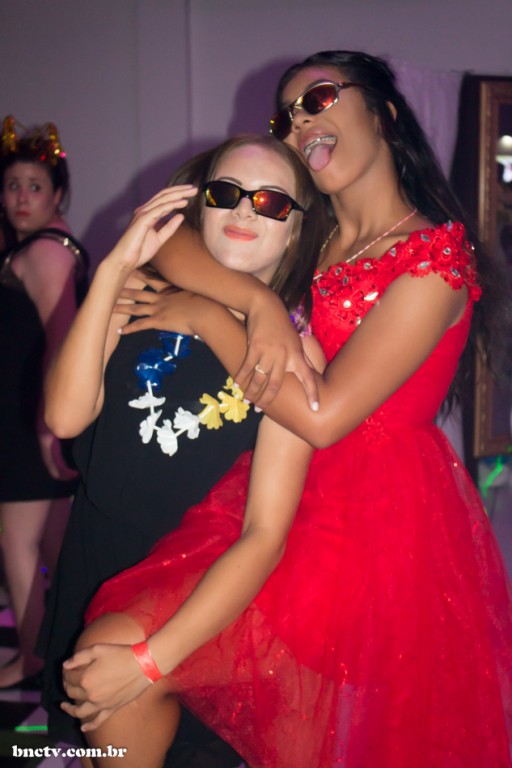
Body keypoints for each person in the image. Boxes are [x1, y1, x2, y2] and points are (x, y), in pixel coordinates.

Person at [61, 52, 512, 768]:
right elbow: (178, 237)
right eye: (288, 115)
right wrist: (257, 301)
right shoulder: (312, 229)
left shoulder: (434, 259)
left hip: (366, 524)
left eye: (319, 98)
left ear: (385, 114)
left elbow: (325, 417)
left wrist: (211, 319)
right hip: (269, 482)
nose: (300, 121)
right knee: (114, 658)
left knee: (299, 735)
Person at [39, 134, 327, 763]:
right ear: (200, 207)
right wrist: (113, 269)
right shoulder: (136, 294)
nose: (245, 209)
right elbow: (64, 415)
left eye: (271, 202)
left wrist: (150, 658)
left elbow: (265, 534)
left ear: (297, 231)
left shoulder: (295, 353)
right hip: (95, 563)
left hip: (201, 605)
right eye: (226, 193)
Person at [0, 117, 88, 689]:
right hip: (36, 414)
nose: (21, 197)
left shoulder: (45, 252)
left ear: (58, 194)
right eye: (12, 185)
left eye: (35, 186)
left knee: (18, 540)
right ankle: (63, 650)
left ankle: (31, 659)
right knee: (56, 544)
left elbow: (62, 338)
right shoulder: (51, 245)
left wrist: (45, 425)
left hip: (31, 419)